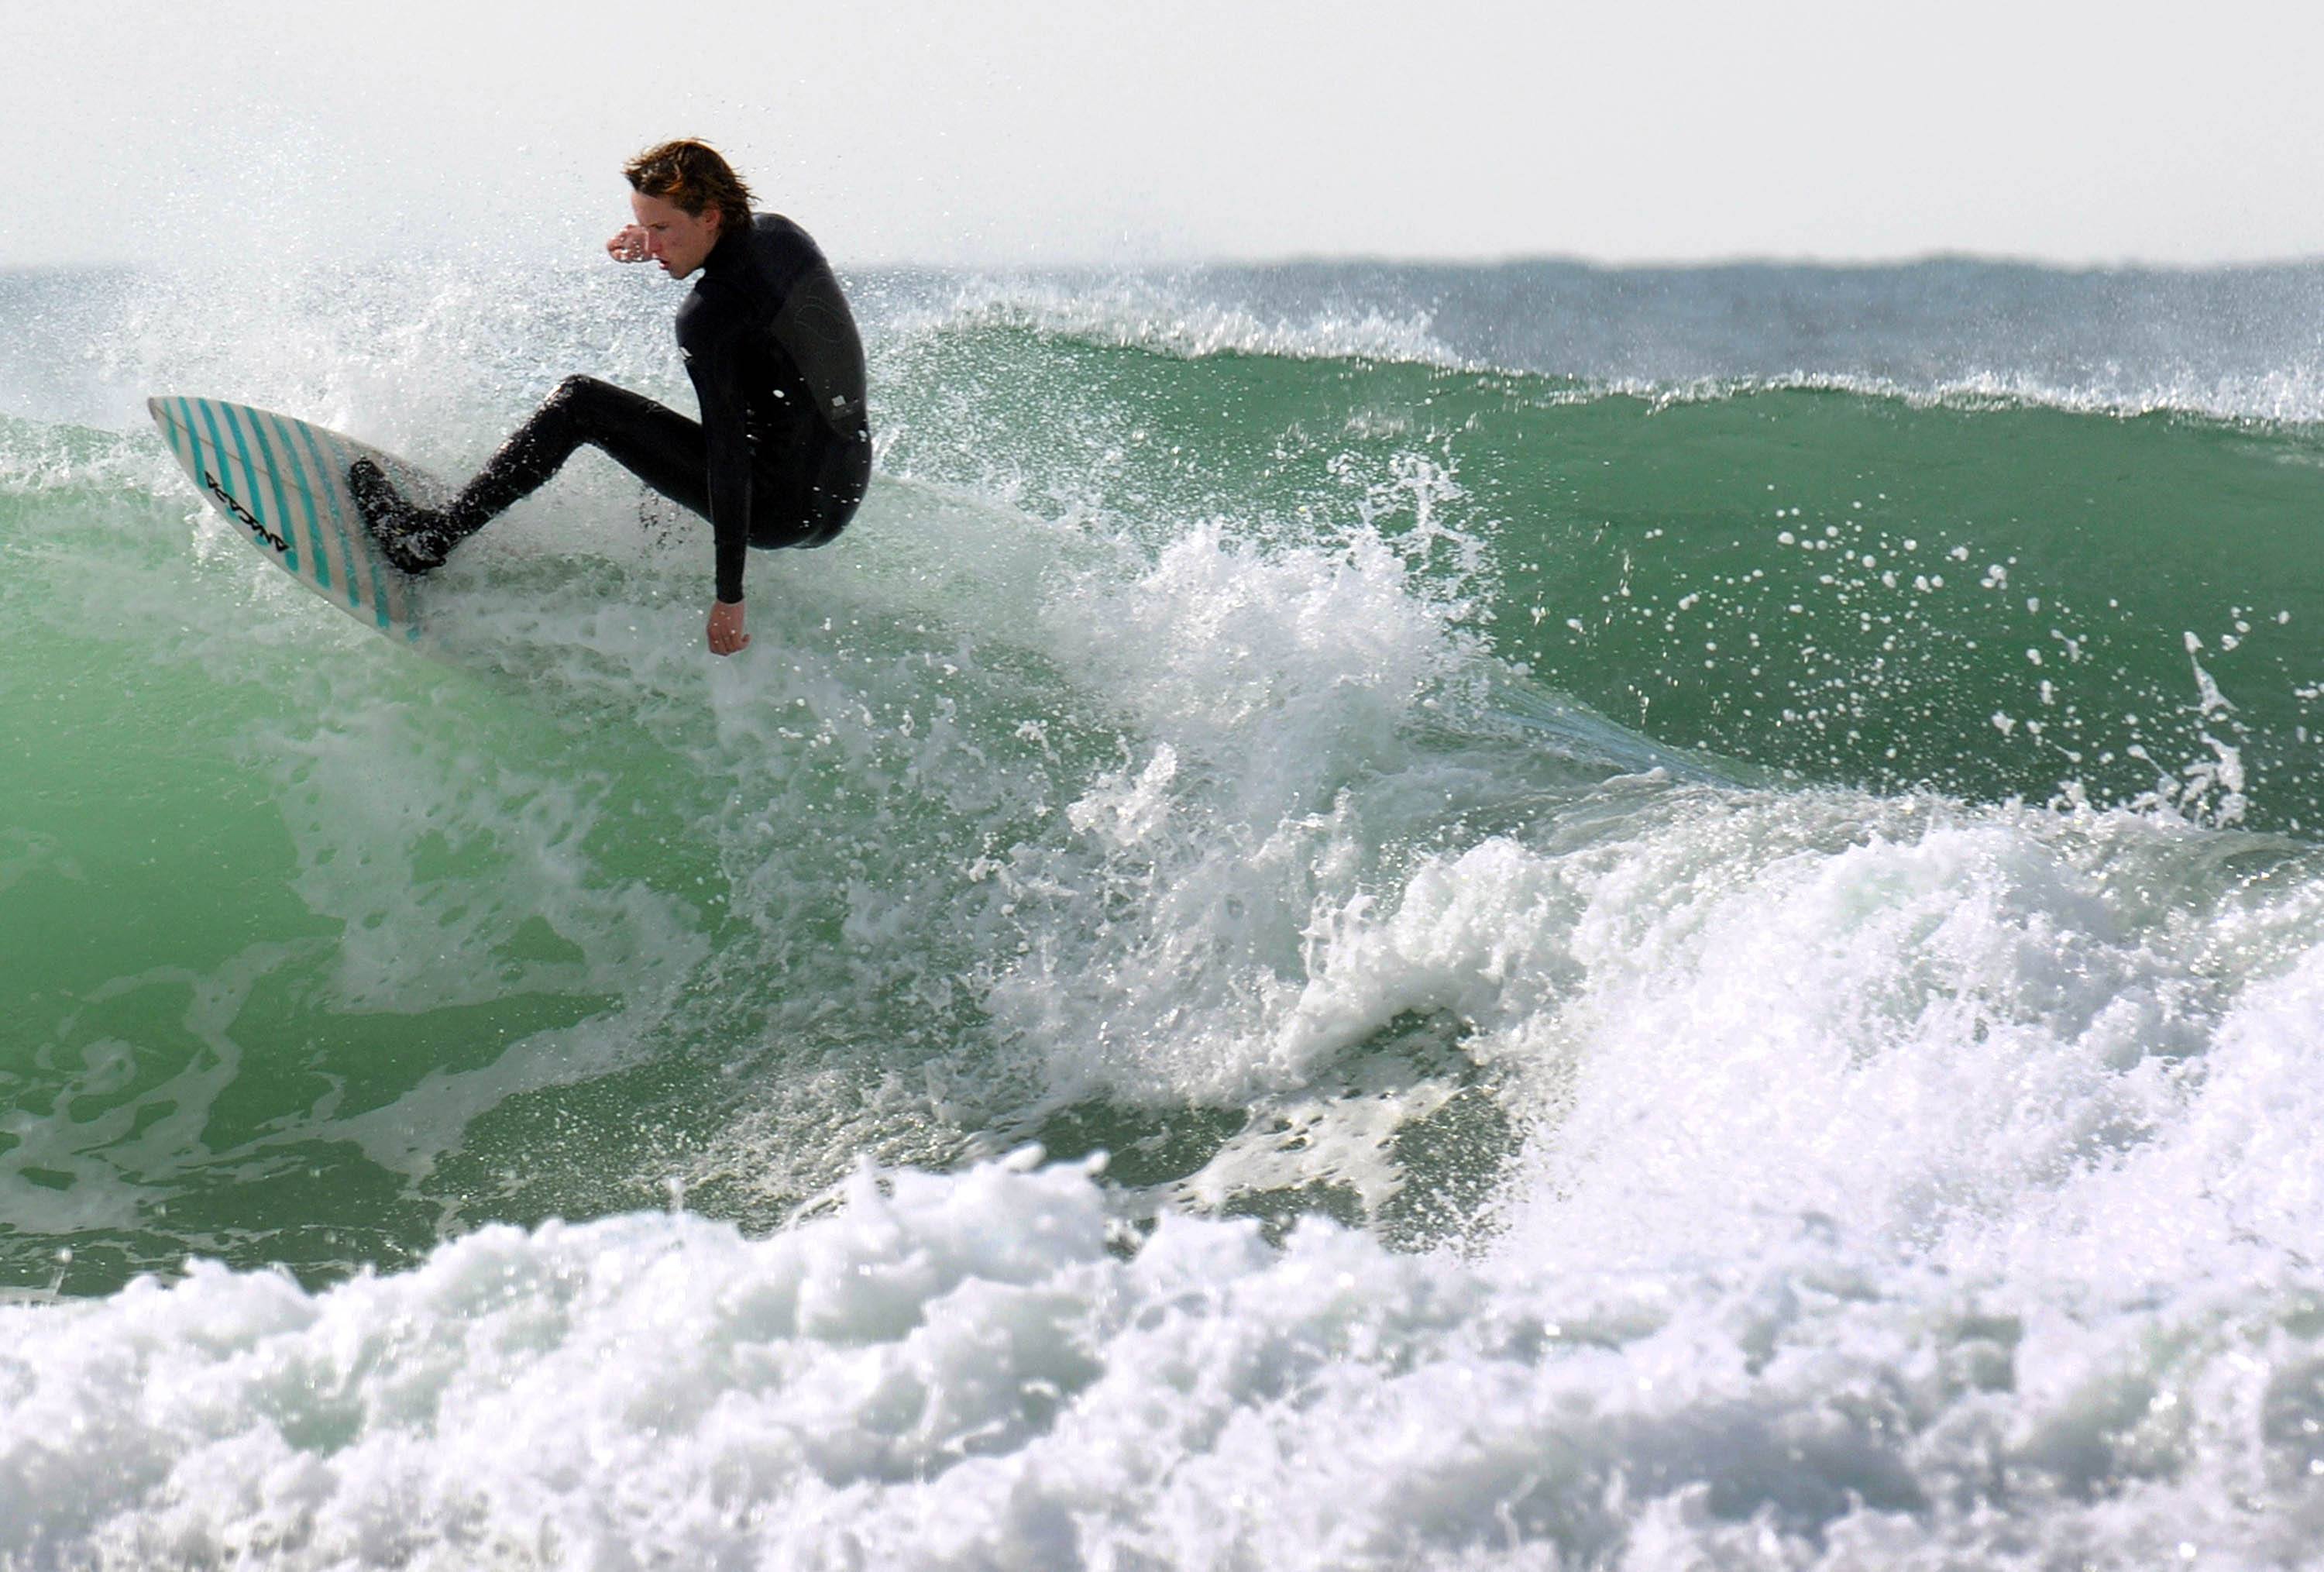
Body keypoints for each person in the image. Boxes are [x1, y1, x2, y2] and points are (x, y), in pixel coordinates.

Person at [349, 139, 871, 656]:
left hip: (777, 509)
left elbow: (729, 456)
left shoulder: (708, 316)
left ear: (710, 216)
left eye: (662, 229)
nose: (653, 244)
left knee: (581, 403)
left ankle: (429, 542)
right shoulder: (783, 238)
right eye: (646, 227)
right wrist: (657, 239)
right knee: (662, 461)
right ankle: (657, 568)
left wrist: (729, 596)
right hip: (840, 489)